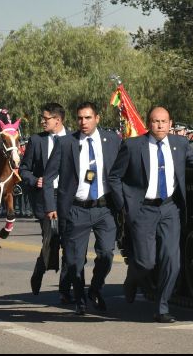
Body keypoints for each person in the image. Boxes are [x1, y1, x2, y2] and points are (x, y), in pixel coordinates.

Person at [109, 106, 193, 323]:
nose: (160, 125)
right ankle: (132, 278)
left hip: (169, 208)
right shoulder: (133, 146)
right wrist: (125, 206)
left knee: (172, 260)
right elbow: (114, 177)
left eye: (164, 121)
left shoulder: (179, 144)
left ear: (170, 123)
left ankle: (162, 307)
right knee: (146, 262)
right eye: (155, 121)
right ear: (149, 123)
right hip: (143, 210)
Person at [42, 102, 123, 315]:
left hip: (104, 208)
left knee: (106, 253)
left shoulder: (112, 140)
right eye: (80, 118)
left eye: (88, 118)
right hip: (76, 209)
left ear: (97, 118)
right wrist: (51, 206)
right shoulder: (66, 143)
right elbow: (49, 177)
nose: (83, 122)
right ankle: (79, 299)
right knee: (75, 259)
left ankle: (95, 289)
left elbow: (123, 170)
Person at [21, 103, 79, 304]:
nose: (42, 121)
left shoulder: (74, 139)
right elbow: (24, 169)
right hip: (46, 199)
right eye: (42, 118)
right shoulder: (37, 140)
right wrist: (34, 179)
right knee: (53, 239)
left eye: (46, 118)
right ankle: (41, 267)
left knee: (69, 242)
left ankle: (64, 289)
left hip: (69, 198)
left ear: (58, 120)